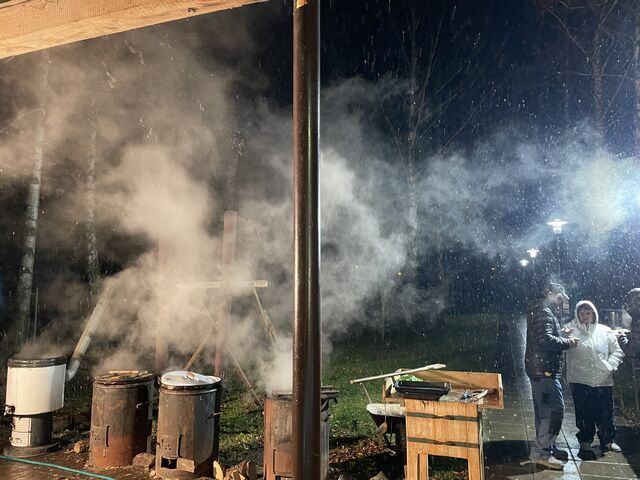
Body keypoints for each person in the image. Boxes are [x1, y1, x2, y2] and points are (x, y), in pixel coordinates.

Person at [525, 281, 579, 469]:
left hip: (538, 369)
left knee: (543, 412)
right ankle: (541, 453)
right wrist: (567, 342)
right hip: (545, 370)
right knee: (554, 412)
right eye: (559, 297)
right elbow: (545, 339)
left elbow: (544, 334)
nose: (560, 302)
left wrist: (560, 334)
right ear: (550, 294)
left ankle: (546, 447)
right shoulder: (544, 311)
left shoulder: (539, 309)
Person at [564, 300, 624, 460]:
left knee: (605, 411)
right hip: (580, 380)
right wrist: (565, 336)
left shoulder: (604, 331)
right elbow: (560, 342)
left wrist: (610, 366)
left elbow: (617, 351)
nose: (585, 316)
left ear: (594, 314)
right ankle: (585, 441)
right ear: (577, 315)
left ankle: (607, 440)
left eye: (588, 313)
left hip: (603, 380)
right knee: (584, 412)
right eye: (582, 313)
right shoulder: (570, 330)